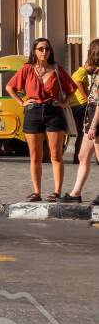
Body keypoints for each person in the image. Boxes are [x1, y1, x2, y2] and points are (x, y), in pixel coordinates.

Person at [7, 37, 77, 202]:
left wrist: (64, 102)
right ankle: (36, 191)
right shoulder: (27, 69)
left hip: (54, 112)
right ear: (34, 51)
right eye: (40, 49)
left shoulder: (57, 69)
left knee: (55, 154)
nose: (44, 52)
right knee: (35, 156)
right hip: (33, 111)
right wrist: (22, 102)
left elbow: (72, 88)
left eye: (47, 48)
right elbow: (10, 87)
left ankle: (56, 191)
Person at [63, 40, 99, 203]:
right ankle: (75, 194)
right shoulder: (96, 73)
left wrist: (93, 125)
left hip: (96, 121)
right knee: (83, 155)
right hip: (91, 117)